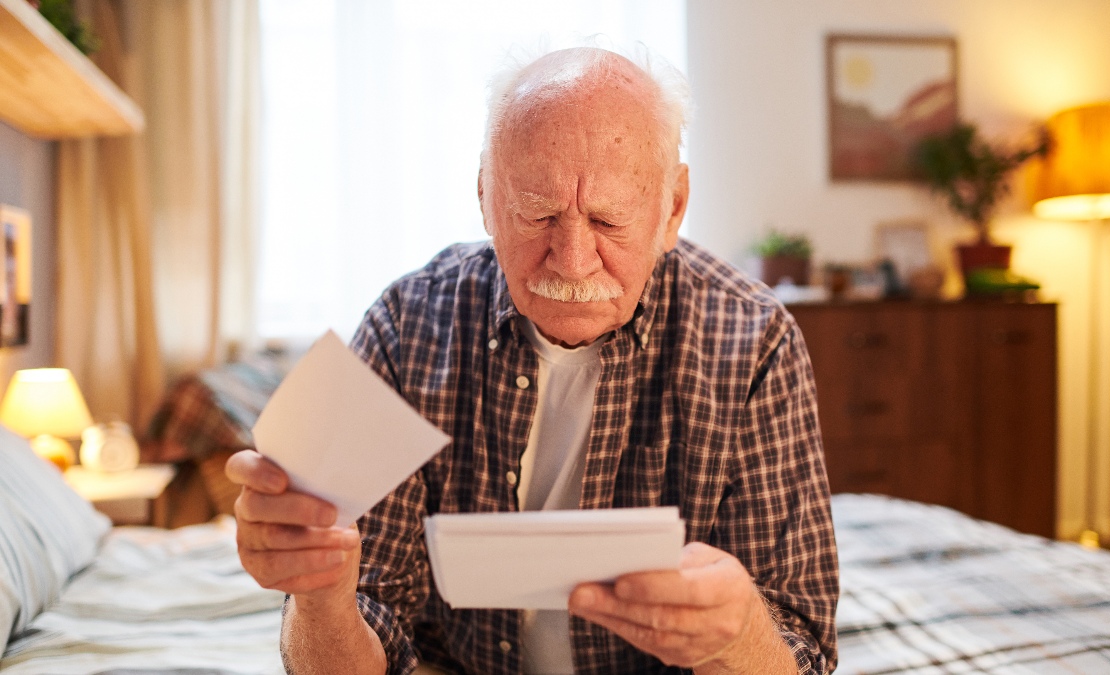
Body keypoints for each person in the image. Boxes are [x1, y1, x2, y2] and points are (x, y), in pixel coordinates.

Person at [227, 45, 838, 675]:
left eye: (608, 219)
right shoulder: (406, 326)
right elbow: (362, 634)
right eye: (537, 212)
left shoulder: (754, 340)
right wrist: (320, 599)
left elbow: (802, 650)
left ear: (672, 208)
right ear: (486, 196)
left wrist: (736, 639)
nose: (572, 260)